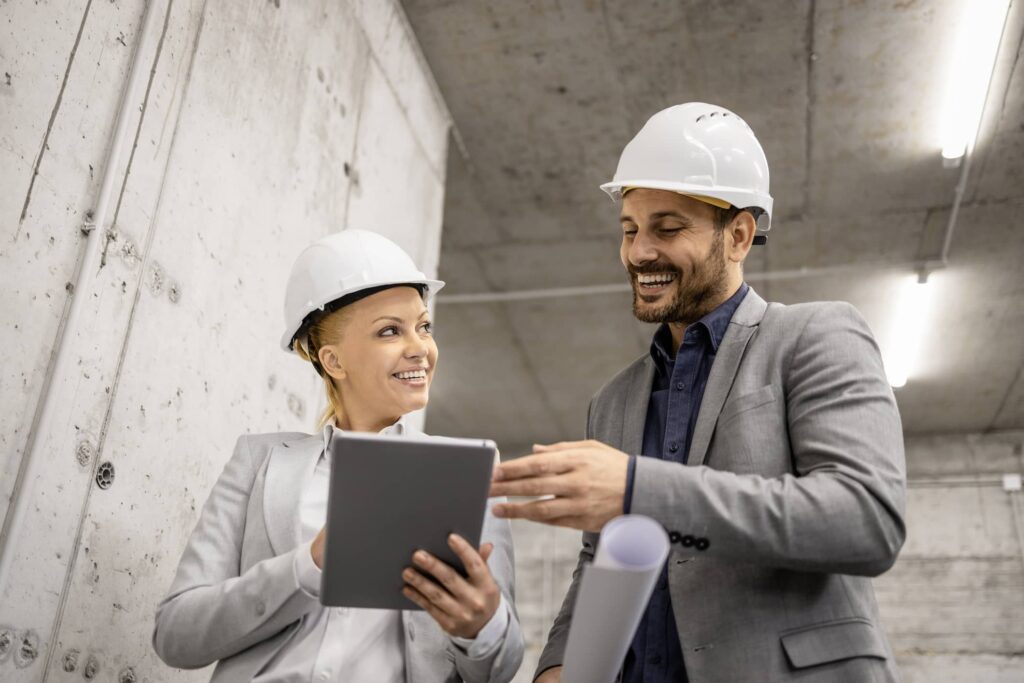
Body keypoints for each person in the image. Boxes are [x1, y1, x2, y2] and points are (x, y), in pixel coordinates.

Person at [489, 103, 906, 682]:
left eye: (668, 227)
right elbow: (598, 559)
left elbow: (865, 520)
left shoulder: (816, 335)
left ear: (738, 235)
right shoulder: (611, 402)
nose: (639, 252)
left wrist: (640, 488)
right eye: (630, 230)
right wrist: (560, 665)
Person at [153, 229, 524, 682]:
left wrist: (482, 626)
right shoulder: (259, 462)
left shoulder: (470, 476)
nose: (420, 348)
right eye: (390, 330)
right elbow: (175, 635)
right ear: (333, 361)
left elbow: (501, 667)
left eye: (423, 326)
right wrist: (309, 563)